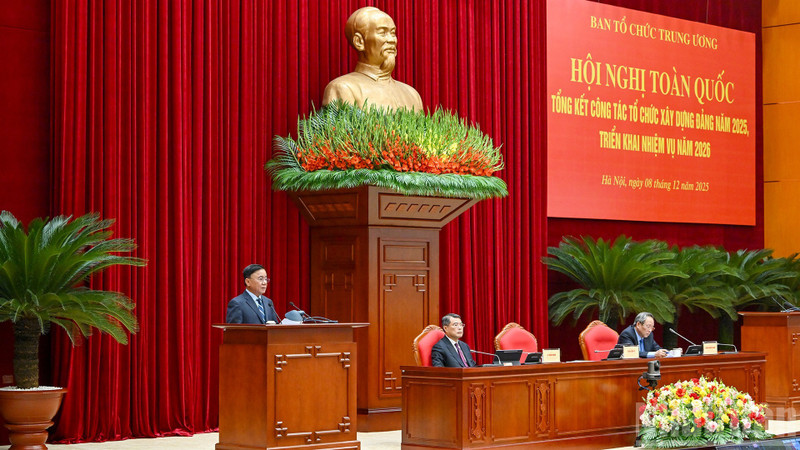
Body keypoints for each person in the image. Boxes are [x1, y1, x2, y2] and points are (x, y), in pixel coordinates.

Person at [322, 6, 423, 112]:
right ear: (359, 42)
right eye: (382, 33)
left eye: (393, 33)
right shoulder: (343, 89)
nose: (392, 40)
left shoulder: (411, 94)